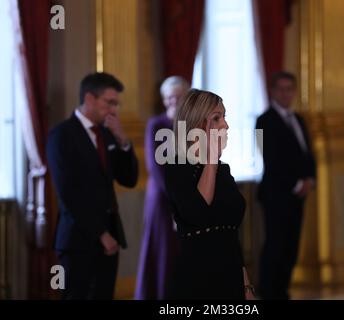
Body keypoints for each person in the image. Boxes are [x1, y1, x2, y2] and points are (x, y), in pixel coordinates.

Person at [47, 72, 139, 300]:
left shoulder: (107, 133)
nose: (114, 110)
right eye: (110, 102)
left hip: (110, 238)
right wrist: (101, 234)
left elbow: (128, 179)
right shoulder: (62, 135)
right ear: (89, 99)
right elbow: (68, 194)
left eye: (116, 104)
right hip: (78, 240)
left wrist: (124, 141)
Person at [164, 89, 255, 300]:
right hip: (196, 281)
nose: (225, 125)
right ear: (197, 125)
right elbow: (197, 212)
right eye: (216, 118)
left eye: (224, 116)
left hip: (231, 279)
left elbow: (230, 235)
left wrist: (247, 285)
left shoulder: (223, 170)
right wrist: (211, 160)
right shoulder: (176, 166)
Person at [256, 71, 316, 300]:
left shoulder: (299, 119)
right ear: (272, 91)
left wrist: (310, 179)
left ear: (294, 92)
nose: (285, 93)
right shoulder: (263, 121)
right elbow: (270, 159)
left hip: (299, 195)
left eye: (289, 89)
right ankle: (269, 292)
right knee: (275, 245)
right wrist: (296, 183)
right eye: (280, 89)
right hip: (276, 194)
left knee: (292, 245)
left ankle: (282, 291)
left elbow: (307, 154)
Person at [135, 76, 190, 300]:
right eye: (169, 98)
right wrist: (179, 201)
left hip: (191, 199)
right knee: (164, 252)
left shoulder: (195, 125)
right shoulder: (156, 125)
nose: (173, 102)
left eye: (178, 97)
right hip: (164, 201)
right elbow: (156, 168)